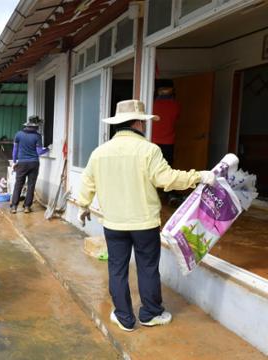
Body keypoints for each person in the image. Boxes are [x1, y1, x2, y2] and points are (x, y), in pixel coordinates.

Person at [77, 99, 216, 332]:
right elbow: (167, 179)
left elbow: (87, 183)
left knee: (117, 268)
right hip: (144, 223)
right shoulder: (149, 150)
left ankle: (124, 317)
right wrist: (198, 176)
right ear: (139, 123)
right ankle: (150, 313)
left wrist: (82, 206)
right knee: (147, 267)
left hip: (114, 223)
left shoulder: (99, 152)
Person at [10, 115, 48, 214]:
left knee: (18, 184)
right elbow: (39, 152)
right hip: (34, 163)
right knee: (31, 185)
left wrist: (14, 162)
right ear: (35, 127)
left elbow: (15, 150)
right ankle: (27, 207)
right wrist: (47, 149)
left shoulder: (18, 134)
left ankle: (14, 207)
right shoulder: (37, 136)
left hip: (22, 163)